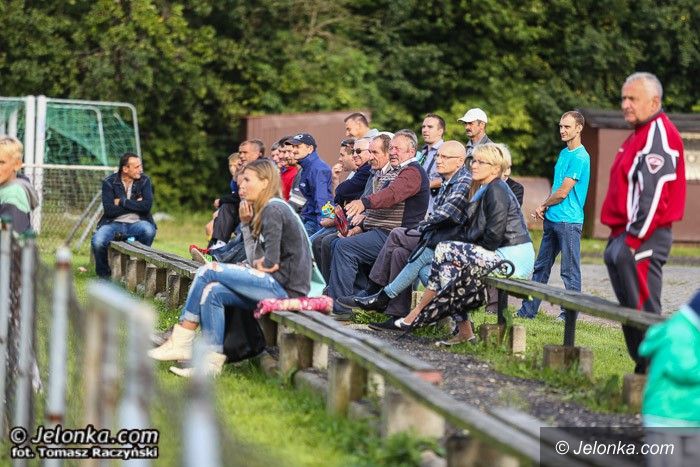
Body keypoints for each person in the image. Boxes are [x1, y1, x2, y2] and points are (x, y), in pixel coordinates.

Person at [149, 159, 312, 376]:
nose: (241, 185)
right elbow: (256, 260)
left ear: (265, 182)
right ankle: (210, 364)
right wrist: (245, 225)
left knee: (208, 270)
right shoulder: (265, 210)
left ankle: (181, 340)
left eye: (247, 180)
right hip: (275, 283)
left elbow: (269, 263)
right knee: (213, 292)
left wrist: (259, 265)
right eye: (241, 180)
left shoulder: (274, 208)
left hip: (285, 289)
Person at [396, 144, 534, 342]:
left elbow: (493, 236)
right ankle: (465, 332)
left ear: (495, 168)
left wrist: (464, 252)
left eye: (481, 162)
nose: (474, 166)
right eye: (473, 161)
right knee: (448, 271)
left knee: (444, 249)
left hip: (512, 258)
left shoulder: (496, 189)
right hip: (497, 254)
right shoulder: (484, 188)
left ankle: (418, 312)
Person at [601, 72, 686, 375]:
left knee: (645, 312)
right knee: (630, 311)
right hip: (624, 235)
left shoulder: (657, 135)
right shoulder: (639, 132)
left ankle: (658, 376)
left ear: (654, 101)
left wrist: (633, 240)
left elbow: (654, 194)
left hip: (643, 239)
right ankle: (643, 370)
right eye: (623, 98)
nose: (625, 104)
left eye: (632, 99)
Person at [340, 141, 472, 329]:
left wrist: (424, 225)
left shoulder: (462, 181)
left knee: (396, 235)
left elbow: (445, 215)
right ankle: (396, 315)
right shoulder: (448, 180)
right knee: (399, 253)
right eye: (438, 156)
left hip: (451, 244)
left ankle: (374, 291)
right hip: (438, 239)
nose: (438, 160)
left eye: (444, 157)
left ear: (459, 161)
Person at [329, 130, 430, 317]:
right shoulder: (398, 171)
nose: (393, 152)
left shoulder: (412, 172)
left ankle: (345, 306)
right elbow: (380, 206)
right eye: (391, 148)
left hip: (396, 234)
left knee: (344, 247)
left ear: (411, 151)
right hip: (387, 232)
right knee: (337, 243)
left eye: (397, 149)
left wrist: (363, 202)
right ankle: (349, 298)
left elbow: (391, 195)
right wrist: (359, 228)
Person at [517, 111, 590, 320]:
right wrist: (546, 208)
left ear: (579, 128)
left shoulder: (581, 157)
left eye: (567, 127)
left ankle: (569, 315)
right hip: (552, 219)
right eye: (560, 126)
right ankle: (527, 311)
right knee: (541, 268)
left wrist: (542, 204)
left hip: (569, 222)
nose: (562, 130)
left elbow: (563, 192)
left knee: (569, 271)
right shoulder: (564, 153)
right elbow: (557, 187)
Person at [639, 289, 700, 466]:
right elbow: (685, 369)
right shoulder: (679, 331)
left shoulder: (692, 332)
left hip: (689, 416)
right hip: (666, 416)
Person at [91, 153, 156, 279]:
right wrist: (136, 204)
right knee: (97, 241)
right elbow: (109, 211)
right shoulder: (109, 182)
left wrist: (122, 202)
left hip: (137, 223)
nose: (140, 170)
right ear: (125, 169)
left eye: (140, 166)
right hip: (113, 224)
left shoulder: (145, 181)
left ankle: (137, 272)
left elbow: (146, 207)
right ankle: (104, 277)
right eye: (136, 167)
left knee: (149, 230)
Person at [286, 133, 333, 236]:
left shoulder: (318, 169)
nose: (293, 150)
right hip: (309, 218)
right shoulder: (307, 167)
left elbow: (322, 200)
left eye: (297, 146)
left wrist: (323, 227)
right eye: (293, 147)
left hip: (316, 222)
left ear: (310, 149)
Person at [0, 136, 39, 234]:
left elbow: (9, 235)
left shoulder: (14, 194)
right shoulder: (5, 186)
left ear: (17, 164)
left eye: (1, 162)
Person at [418, 113, 446, 212]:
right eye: (423, 127)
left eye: (430, 127)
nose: (425, 130)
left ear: (440, 131)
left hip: (435, 209)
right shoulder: (423, 152)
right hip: (419, 207)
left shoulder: (446, 151)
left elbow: (453, 178)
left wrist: (426, 184)